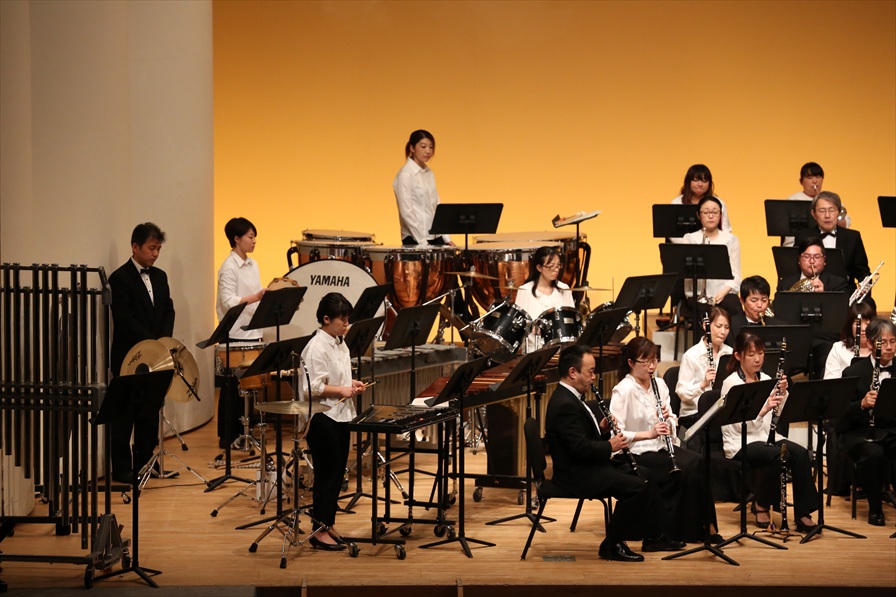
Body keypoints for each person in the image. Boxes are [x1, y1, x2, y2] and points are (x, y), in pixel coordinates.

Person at [544, 344, 685, 562]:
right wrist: (611, 445)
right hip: (575, 475)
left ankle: (654, 536)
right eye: (590, 372)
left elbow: (580, 438)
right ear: (573, 372)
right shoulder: (564, 404)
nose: (594, 377)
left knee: (646, 474)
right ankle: (612, 543)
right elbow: (579, 449)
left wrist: (601, 430)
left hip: (586, 465)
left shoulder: (571, 397)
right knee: (637, 486)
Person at [610, 337, 721, 543]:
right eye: (645, 362)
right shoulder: (623, 390)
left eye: (654, 360)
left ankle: (707, 527)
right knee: (682, 469)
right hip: (635, 452)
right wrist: (648, 433)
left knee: (697, 461)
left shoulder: (659, 385)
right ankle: (677, 532)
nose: (651, 367)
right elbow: (617, 435)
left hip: (660, 446)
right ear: (631, 363)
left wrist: (668, 419)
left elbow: (671, 422)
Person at [720, 331, 818, 531]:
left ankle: (802, 513)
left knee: (800, 453)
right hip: (740, 441)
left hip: (766, 436)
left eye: (761, 353)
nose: (757, 359)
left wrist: (783, 392)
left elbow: (781, 413)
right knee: (777, 455)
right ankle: (761, 504)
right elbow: (737, 425)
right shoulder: (731, 384)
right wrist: (763, 409)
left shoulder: (766, 378)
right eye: (751, 354)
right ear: (738, 356)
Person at [109, 222, 175, 484]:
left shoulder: (160, 276)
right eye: (151, 248)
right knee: (124, 414)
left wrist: (162, 343)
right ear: (135, 247)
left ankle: (146, 462)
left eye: (158, 249)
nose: (155, 254)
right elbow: (124, 320)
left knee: (149, 411)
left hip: (156, 356)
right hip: (130, 355)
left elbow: (168, 310)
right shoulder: (119, 278)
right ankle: (122, 469)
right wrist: (151, 343)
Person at [301, 292, 366, 550]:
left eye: (347, 319)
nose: (346, 324)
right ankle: (318, 531)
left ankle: (326, 524)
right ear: (326, 319)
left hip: (341, 415)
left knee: (337, 473)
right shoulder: (316, 347)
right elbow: (312, 388)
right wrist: (341, 390)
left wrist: (351, 383)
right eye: (342, 320)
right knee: (327, 475)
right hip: (322, 418)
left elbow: (337, 376)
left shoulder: (340, 343)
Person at [838, 318, 896, 526]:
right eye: (883, 342)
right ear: (870, 343)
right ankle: (875, 509)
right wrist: (861, 404)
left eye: (893, 341)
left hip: (891, 429)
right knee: (874, 454)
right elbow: (840, 413)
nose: (889, 347)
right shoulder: (853, 372)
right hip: (860, 432)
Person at [215, 217, 266, 448]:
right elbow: (228, 302)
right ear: (236, 239)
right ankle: (228, 435)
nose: (254, 241)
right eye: (250, 237)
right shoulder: (228, 267)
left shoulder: (253, 264)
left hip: (253, 330)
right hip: (235, 332)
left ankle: (245, 430)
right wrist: (255, 297)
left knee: (249, 387)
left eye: (254, 237)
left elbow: (256, 295)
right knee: (231, 386)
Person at [679, 196, 742, 319]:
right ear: (699, 215)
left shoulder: (731, 239)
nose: (711, 216)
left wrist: (723, 292)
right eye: (706, 212)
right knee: (703, 311)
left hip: (723, 293)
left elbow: (736, 275)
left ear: (720, 214)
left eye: (715, 212)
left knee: (734, 306)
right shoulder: (689, 238)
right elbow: (686, 272)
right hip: (697, 294)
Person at [795, 191, 870, 289]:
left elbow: (862, 272)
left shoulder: (852, 237)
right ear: (814, 214)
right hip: (812, 291)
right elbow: (796, 270)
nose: (827, 215)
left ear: (839, 212)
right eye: (822, 211)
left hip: (845, 293)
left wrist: (864, 288)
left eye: (832, 210)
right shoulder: (803, 237)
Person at [393, 129, 452, 247]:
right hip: (415, 238)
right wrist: (422, 242)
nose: (428, 151)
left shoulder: (429, 173)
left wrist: (446, 237)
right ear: (412, 148)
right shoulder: (406, 174)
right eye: (423, 147)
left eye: (431, 147)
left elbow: (437, 206)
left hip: (435, 235)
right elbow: (406, 211)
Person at [513, 246, 575, 353]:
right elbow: (518, 324)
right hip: (534, 351)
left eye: (558, 265)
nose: (556, 270)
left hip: (561, 351)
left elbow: (571, 321)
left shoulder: (564, 289)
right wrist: (531, 327)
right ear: (539, 268)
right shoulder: (525, 290)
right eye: (551, 266)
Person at [677, 306, 733, 422]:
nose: (723, 332)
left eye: (726, 327)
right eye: (718, 326)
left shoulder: (730, 353)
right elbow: (681, 392)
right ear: (705, 325)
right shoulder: (691, 355)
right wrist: (703, 384)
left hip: (720, 410)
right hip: (694, 413)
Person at [669, 164, 732, 243]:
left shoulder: (719, 203)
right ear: (688, 182)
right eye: (695, 180)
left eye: (704, 181)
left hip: (713, 247)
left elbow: (726, 230)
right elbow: (670, 231)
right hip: (681, 247)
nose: (700, 184)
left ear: (709, 183)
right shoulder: (677, 203)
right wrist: (687, 244)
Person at [776, 237, 851, 294]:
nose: (812, 261)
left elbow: (840, 308)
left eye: (817, 257)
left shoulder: (837, 284)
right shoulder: (784, 284)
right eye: (806, 256)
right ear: (799, 259)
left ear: (824, 260)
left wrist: (824, 294)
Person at [725, 275, 786, 347]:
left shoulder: (780, 326)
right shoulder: (730, 325)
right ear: (742, 301)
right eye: (754, 300)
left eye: (764, 300)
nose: (759, 305)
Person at [824, 301, 876, 379]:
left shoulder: (884, 349)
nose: (863, 328)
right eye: (858, 324)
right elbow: (830, 382)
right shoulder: (838, 349)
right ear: (850, 326)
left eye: (867, 324)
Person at [783, 162, 825, 247]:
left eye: (818, 177)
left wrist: (822, 201)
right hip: (795, 244)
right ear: (801, 181)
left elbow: (844, 223)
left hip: (823, 244)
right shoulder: (793, 200)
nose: (815, 181)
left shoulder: (830, 199)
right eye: (810, 178)